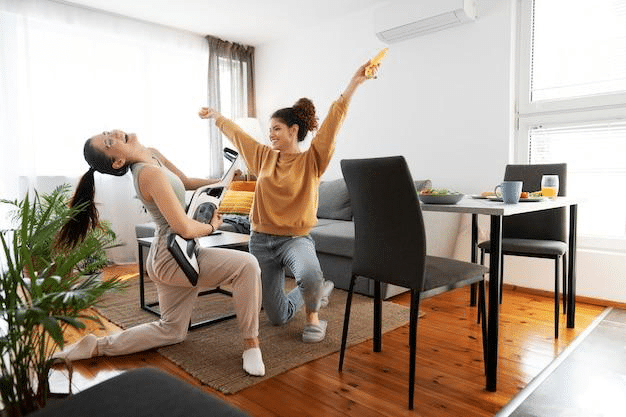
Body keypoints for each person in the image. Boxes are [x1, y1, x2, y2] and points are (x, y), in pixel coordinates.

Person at [53, 130, 265, 376]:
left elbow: (185, 182)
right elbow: (184, 227)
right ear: (118, 161)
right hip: (173, 259)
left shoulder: (152, 155)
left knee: (172, 331)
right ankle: (251, 345)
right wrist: (212, 227)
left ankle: (97, 346)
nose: (114, 133)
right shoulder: (148, 175)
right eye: (110, 142)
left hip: (169, 256)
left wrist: (224, 182)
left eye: (107, 133)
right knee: (247, 264)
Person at [198, 60, 376, 343]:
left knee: (309, 273)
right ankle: (313, 294)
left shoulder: (312, 160)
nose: (271, 134)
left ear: (294, 130)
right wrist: (217, 115)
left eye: (276, 128)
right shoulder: (262, 157)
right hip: (261, 241)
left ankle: (314, 317)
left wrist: (354, 82)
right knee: (278, 317)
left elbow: (334, 121)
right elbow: (238, 135)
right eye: (270, 129)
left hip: (295, 239)